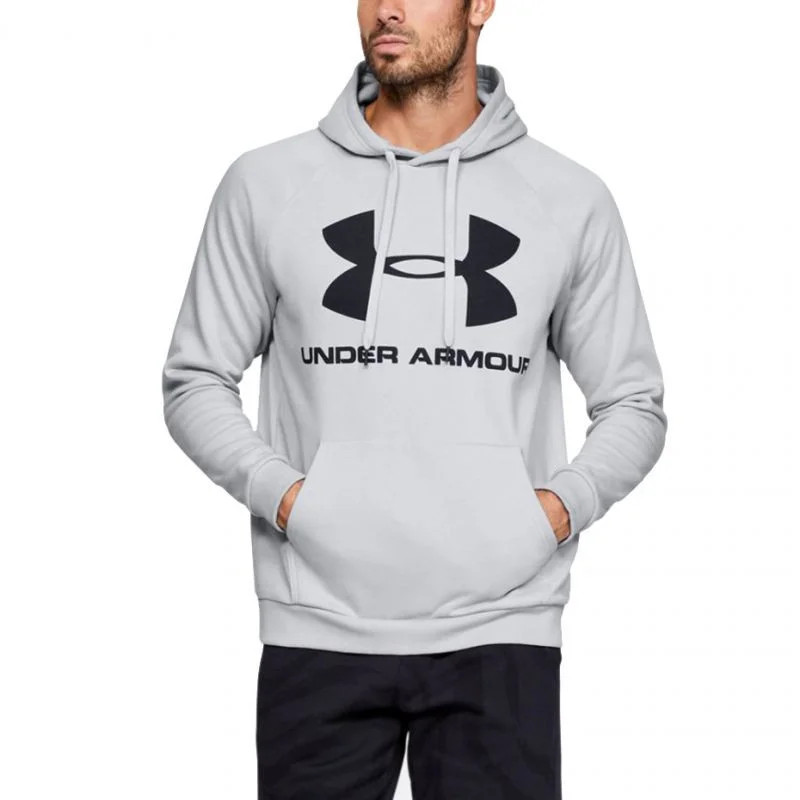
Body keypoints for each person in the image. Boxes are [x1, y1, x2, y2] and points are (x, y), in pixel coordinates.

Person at [161, 1, 668, 796]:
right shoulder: (268, 184)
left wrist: (549, 513)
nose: (387, 9)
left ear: (481, 5)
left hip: (501, 626)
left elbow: (633, 402)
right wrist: (292, 500)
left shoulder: (567, 198)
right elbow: (195, 379)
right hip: (318, 624)